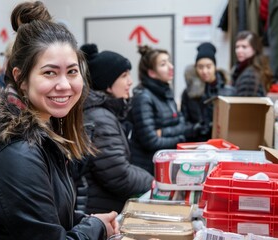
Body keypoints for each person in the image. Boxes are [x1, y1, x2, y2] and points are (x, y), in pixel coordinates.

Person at [0, 1, 119, 239]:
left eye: (72, 71)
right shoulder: (15, 150)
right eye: (49, 72)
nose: (64, 85)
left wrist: (88, 221)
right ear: (21, 78)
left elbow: (46, 213)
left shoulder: (42, 129)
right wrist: (96, 229)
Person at [74, 43, 154, 214]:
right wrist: (154, 182)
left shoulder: (103, 113)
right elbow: (119, 176)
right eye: (124, 76)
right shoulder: (100, 118)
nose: (130, 81)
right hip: (99, 210)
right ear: (107, 84)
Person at [129, 45, 198, 175]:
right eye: (163, 64)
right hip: (148, 168)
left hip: (165, 164)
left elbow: (181, 123)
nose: (171, 67)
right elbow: (151, 141)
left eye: (169, 62)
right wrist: (182, 139)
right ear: (151, 73)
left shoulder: (166, 93)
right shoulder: (143, 97)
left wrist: (163, 131)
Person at [181, 42, 235, 142]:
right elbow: (183, 123)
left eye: (208, 66)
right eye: (200, 67)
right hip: (196, 144)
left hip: (222, 144)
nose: (204, 71)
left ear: (215, 67)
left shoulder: (228, 91)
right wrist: (196, 128)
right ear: (195, 68)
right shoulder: (188, 93)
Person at [231, 30, 273, 96]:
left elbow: (246, 105)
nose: (239, 50)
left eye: (244, 47)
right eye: (237, 47)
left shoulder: (250, 75)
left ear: (254, 49)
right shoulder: (246, 69)